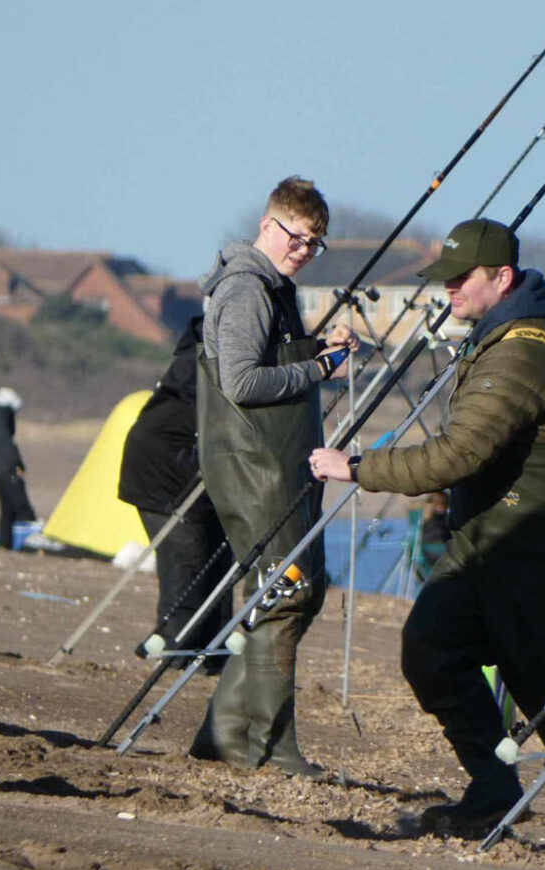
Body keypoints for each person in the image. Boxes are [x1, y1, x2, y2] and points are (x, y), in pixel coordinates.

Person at [310, 218, 545, 857]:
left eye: (461, 279)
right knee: (431, 648)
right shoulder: (517, 334)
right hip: (493, 541)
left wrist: (356, 469)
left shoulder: (524, 350)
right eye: (446, 279)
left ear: (501, 278)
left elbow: (455, 455)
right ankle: (492, 790)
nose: (448, 290)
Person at [188, 176, 358, 777]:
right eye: (297, 237)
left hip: (279, 466)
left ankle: (224, 730)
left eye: (315, 243)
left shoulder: (275, 288)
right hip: (250, 466)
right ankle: (265, 744)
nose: (304, 251)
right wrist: (317, 369)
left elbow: (273, 360)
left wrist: (320, 352)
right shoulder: (246, 289)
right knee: (283, 593)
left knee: (300, 589)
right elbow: (240, 382)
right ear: (268, 225)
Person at [118, 316, 233, 670]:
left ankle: (209, 651)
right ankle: (174, 650)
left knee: (215, 553)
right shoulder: (198, 362)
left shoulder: (212, 353)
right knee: (186, 561)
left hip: (182, 468)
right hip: (161, 472)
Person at [0, 387, 37, 549]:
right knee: (21, 505)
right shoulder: (1, 415)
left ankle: (5, 543)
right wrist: (18, 465)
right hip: (6, 467)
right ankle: (31, 541)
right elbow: (7, 444)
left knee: (7, 508)